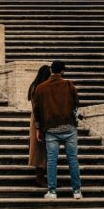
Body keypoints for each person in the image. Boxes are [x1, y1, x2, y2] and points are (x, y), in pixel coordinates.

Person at [32, 60, 82, 200]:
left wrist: (38, 128)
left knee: (52, 161)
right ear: (62, 71)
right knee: (72, 159)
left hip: (51, 129)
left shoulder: (40, 88)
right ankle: (76, 190)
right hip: (69, 127)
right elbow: (76, 104)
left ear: (51, 70)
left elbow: (37, 110)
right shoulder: (69, 84)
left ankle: (52, 191)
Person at [28, 65, 51, 190]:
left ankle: (42, 175)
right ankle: (40, 176)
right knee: (40, 150)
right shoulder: (37, 88)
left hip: (38, 119)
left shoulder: (35, 86)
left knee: (41, 149)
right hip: (39, 120)